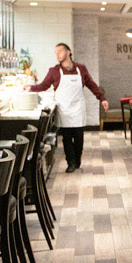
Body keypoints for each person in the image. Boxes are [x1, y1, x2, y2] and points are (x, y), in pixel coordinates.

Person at [24, 42, 109, 173]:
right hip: (64, 109)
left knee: (79, 137)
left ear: (68, 52)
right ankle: (71, 163)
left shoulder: (81, 69)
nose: (57, 54)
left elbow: (92, 85)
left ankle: (77, 160)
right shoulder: (54, 71)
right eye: (56, 52)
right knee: (67, 138)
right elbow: (43, 86)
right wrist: (30, 88)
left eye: (60, 51)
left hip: (78, 108)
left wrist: (102, 98)